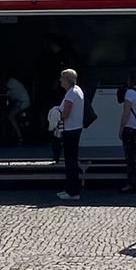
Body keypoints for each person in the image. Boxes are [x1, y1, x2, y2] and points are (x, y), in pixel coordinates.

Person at [55, 67, 85, 201]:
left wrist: (56, 114)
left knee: (70, 161)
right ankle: (70, 189)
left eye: (62, 78)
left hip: (70, 130)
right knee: (71, 160)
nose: (60, 80)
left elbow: (66, 113)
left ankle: (73, 191)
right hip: (76, 128)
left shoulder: (71, 94)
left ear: (67, 79)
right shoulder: (77, 90)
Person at [4, 76, 31, 146]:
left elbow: (3, 89)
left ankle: (20, 136)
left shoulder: (11, 81)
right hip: (19, 102)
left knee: (10, 116)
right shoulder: (13, 82)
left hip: (23, 102)